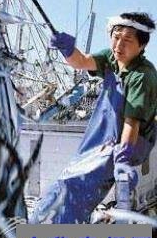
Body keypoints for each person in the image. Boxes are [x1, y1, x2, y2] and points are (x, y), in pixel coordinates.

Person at [32, 12, 157, 223]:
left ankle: (54, 235)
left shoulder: (143, 76)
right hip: (103, 138)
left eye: (127, 40)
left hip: (127, 142)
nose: (119, 45)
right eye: (116, 37)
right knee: (67, 182)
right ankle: (46, 228)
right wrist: (67, 49)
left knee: (75, 187)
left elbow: (132, 122)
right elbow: (81, 61)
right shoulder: (111, 58)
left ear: (142, 45)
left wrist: (123, 158)